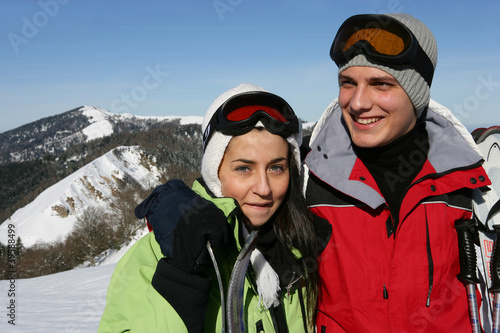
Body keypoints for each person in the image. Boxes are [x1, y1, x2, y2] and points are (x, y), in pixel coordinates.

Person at [305, 13, 491, 332]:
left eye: (381, 84)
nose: (358, 103)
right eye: (348, 83)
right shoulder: (309, 175)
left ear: (417, 92)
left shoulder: (470, 181)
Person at [98, 83, 331, 332]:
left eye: (276, 167)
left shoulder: (300, 242)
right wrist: (181, 277)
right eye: (244, 168)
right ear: (215, 173)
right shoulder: (161, 254)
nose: (264, 188)